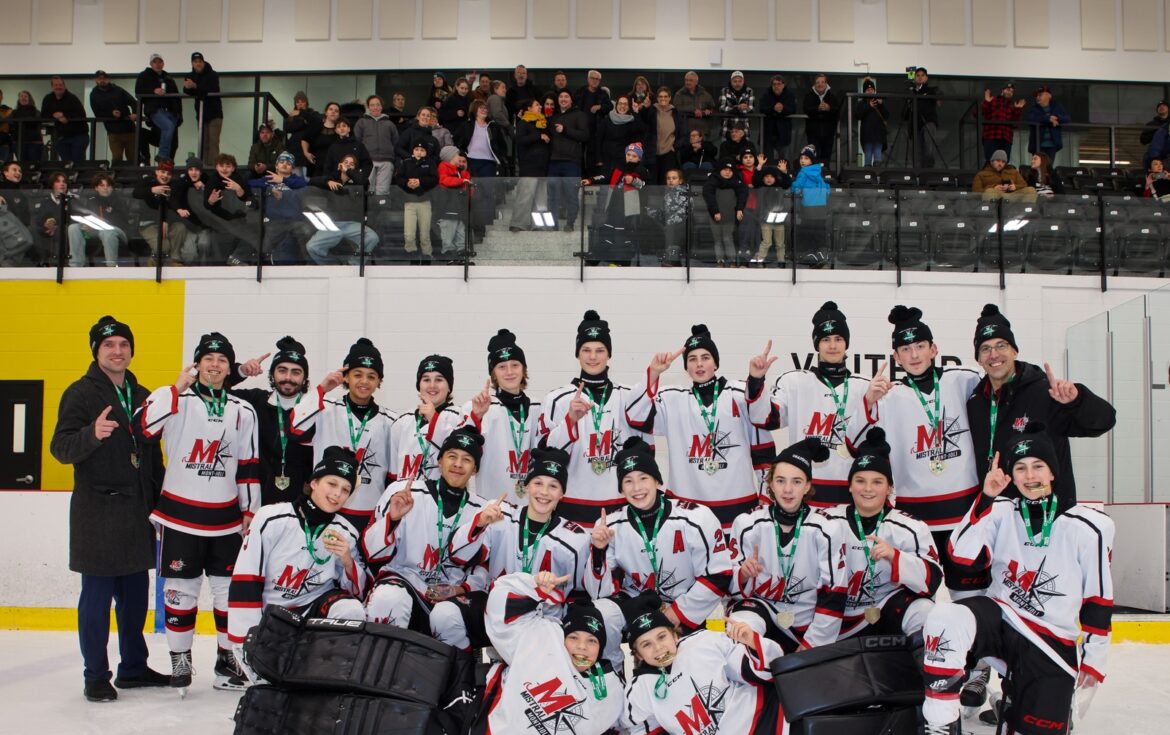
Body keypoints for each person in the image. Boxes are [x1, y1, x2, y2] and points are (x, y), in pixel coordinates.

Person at [921, 426, 1114, 735]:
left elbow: (1098, 600)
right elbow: (961, 557)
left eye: (1038, 466)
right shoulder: (1000, 510)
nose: (1030, 475)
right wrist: (985, 497)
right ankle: (940, 724)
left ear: (1053, 472)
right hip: (1001, 623)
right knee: (945, 616)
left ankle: (1016, 702)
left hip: (1050, 643)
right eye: (1020, 468)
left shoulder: (1089, 526)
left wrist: (1094, 661)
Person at [50, 316, 168, 702]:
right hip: (98, 514)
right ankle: (96, 675)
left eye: (123, 344)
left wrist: (161, 507)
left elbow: (153, 457)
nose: (117, 351)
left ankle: (133, 667)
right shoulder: (80, 393)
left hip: (137, 514)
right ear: (96, 351)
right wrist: (91, 434)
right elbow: (60, 448)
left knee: (134, 601)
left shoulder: (144, 395)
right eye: (109, 345)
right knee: (97, 603)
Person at [139, 332, 260, 693]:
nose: (215, 365)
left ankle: (227, 661)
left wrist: (249, 511)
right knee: (180, 592)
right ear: (197, 364)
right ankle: (180, 660)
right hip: (179, 517)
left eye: (222, 360)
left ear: (229, 367)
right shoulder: (175, 399)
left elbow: (248, 465)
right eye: (208, 358)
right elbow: (143, 428)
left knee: (228, 595)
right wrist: (176, 387)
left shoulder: (243, 410)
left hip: (226, 521)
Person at [863, 306, 984, 597]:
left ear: (934, 348)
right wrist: (868, 402)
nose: (914, 355)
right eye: (906, 349)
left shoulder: (965, 380)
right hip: (915, 520)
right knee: (918, 601)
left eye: (920, 346)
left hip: (965, 514)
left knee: (971, 601)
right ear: (896, 357)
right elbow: (857, 447)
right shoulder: (888, 397)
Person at [588, 437, 734, 670]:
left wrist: (676, 613)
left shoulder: (697, 517)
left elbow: (719, 574)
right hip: (638, 606)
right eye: (628, 481)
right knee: (601, 613)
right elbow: (601, 593)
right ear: (621, 488)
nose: (637, 488)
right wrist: (598, 550)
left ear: (657, 480)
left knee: (701, 664)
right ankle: (614, 675)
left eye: (643, 478)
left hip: (689, 605)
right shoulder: (609, 526)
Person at [227, 446, 370, 680]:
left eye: (345, 489)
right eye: (332, 484)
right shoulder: (271, 518)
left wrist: (347, 560)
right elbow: (246, 579)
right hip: (273, 619)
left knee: (351, 609)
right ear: (314, 482)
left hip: (313, 619)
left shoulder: (346, 532)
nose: (337, 494)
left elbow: (359, 593)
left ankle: (330, 678)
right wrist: (246, 640)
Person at [965, 304, 1116, 507]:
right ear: (978, 359)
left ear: (1014, 351)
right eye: (985, 349)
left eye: (1001, 345)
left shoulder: (1046, 392)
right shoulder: (976, 402)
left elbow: (1104, 422)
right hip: (1000, 512)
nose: (994, 355)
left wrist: (1077, 401)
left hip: (1048, 512)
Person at [628, 324, 774, 526]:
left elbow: (763, 453)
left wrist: (766, 498)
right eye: (692, 359)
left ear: (716, 363)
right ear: (686, 367)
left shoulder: (742, 393)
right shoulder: (672, 398)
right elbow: (635, 416)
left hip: (739, 510)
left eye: (705, 357)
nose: (699, 364)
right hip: (686, 512)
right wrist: (653, 373)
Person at [363, 426, 491, 649]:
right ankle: (381, 663)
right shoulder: (404, 491)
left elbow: (484, 567)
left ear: (475, 470)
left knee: (448, 616)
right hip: (406, 582)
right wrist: (392, 519)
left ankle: (454, 670)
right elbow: (370, 552)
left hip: (453, 591)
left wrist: (459, 589)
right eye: (452, 456)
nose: (458, 464)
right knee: (387, 599)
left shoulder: (483, 510)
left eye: (467, 460)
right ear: (439, 461)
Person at [818, 427, 941, 640]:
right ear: (850, 486)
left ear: (889, 488)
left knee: (926, 612)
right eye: (860, 481)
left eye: (877, 482)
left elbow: (932, 582)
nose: (868, 489)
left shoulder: (910, 527)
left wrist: (895, 556)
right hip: (834, 613)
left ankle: (923, 662)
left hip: (885, 609)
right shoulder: (824, 521)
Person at [746, 301, 873, 507]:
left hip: (853, 494)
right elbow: (764, 419)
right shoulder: (794, 382)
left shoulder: (866, 386)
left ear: (846, 343)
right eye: (825, 340)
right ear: (816, 344)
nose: (832, 346)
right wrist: (756, 380)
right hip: (805, 493)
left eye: (838, 339)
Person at [728, 437, 844, 652]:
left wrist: (812, 644)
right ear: (770, 483)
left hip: (806, 623)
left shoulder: (827, 529)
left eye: (797, 481)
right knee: (738, 633)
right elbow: (727, 587)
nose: (788, 489)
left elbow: (834, 594)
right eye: (780, 481)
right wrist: (742, 574)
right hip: (761, 609)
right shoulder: (747, 524)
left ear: (807, 486)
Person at [537, 310, 653, 526]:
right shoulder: (557, 398)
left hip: (622, 511)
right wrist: (570, 421)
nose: (593, 357)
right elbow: (544, 458)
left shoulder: (629, 397)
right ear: (577, 354)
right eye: (586, 350)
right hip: (570, 511)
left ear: (609, 354)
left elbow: (647, 455)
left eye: (600, 350)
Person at [478, 572, 624, 733]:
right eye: (574, 637)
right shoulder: (541, 644)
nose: (582, 646)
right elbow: (499, 609)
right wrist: (532, 587)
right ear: (562, 638)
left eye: (592, 641)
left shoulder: (608, 687)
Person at [620, 593, 784, 734]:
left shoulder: (704, 642)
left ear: (675, 635)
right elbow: (641, 729)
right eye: (646, 645)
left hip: (765, 721)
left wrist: (752, 643)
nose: (658, 648)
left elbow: (765, 670)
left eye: (662, 636)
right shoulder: (639, 690)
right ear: (638, 654)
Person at [289, 338, 397, 529]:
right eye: (357, 374)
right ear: (346, 377)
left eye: (371, 376)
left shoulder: (391, 421)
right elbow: (294, 429)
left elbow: (393, 474)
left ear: (379, 381)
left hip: (370, 514)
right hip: (326, 509)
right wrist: (322, 389)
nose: (364, 381)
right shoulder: (325, 408)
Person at [226, 336, 316, 508]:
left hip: (301, 505)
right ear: (272, 374)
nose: (288, 377)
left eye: (296, 372)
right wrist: (240, 372)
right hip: (256, 503)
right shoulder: (254, 400)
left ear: (305, 377)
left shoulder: (315, 409)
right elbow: (214, 390)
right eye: (282, 370)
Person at [459, 329, 542, 505]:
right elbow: (462, 451)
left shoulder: (538, 407)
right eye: (502, 367)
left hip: (531, 508)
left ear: (524, 369)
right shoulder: (478, 407)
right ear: (493, 374)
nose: (509, 372)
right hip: (490, 505)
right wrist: (476, 416)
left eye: (515, 365)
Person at [388, 354, 463, 483]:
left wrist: (434, 419)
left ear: (449, 387)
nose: (432, 385)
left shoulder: (459, 417)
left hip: (441, 495)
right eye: (426, 379)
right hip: (407, 494)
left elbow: (461, 456)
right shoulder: (402, 422)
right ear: (419, 385)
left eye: (439, 380)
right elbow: (392, 476)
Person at [306, 152, 378, 266]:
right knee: (312, 246)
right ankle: (334, 266)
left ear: (355, 168)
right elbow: (311, 181)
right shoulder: (331, 178)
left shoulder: (358, 181)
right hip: (332, 224)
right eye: (346, 162)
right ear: (339, 165)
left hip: (353, 223)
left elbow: (364, 182)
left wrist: (348, 171)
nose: (348, 164)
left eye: (352, 164)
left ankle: (353, 264)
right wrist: (328, 181)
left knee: (372, 237)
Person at [132, 159, 194, 266]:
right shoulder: (148, 181)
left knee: (180, 227)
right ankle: (153, 261)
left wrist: (167, 219)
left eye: (168, 174)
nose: (165, 175)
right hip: (148, 224)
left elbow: (173, 202)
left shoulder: (173, 185)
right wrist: (152, 190)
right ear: (157, 172)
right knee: (163, 246)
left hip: (167, 224)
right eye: (163, 172)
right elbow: (136, 193)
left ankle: (174, 260)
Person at [547, 90, 590, 232]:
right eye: (561, 96)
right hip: (554, 161)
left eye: (566, 96)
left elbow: (585, 135)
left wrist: (565, 130)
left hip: (572, 162)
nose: (563, 99)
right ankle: (553, 225)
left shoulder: (579, 115)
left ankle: (570, 223)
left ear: (571, 100)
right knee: (552, 196)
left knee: (571, 194)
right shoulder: (553, 117)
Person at [68, 173, 132, 267]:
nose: (105, 188)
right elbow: (86, 217)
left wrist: (94, 225)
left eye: (108, 185)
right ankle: (76, 265)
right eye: (102, 185)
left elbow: (117, 222)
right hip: (96, 230)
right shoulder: (91, 200)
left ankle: (111, 266)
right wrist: (87, 225)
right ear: (96, 188)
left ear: (112, 188)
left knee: (107, 232)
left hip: (117, 231)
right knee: (74, 228)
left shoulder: (119, 201)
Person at [508, 98, 550, 233]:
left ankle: (538, 225)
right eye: (537, 105)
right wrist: (539, 136)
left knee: (541, 200)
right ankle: (518, 223)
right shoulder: (523, 123)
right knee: (525, 196)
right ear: (529, 108)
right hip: (529, 166)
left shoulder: (543, 123)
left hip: (542, 166)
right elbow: (519, 140)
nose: (540, 106)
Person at [394, 140, 438, 260]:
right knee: (409, 234)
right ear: (413, 151)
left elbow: (435, 179)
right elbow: (398, 178)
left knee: (425, 234)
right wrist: (407, 183)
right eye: (416, 149)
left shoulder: (430, 163)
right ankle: (411, 255)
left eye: (422, 150)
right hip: (409, 202)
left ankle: (427, 256)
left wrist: (420, 181)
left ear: (426, 152)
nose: (419, 152)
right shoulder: (406, 162)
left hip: (425, 202)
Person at [135, 54, 181, 162]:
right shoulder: (144, 75)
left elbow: (177, 97)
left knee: (172, 138)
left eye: (160, 62)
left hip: (171, 111)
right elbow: (138, 91)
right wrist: (153, 91)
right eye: (155, 62)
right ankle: (162, 155)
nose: (157, 64)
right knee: (168, 127)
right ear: (151, 64)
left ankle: (166, 160)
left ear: (163, 63)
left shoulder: (168, 77)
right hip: (155, 110)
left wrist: (179, 115)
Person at [702, 159, 748, 268]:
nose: (727, 172)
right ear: (719, 170)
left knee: (728, 238)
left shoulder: (737, 182)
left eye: (730, 170)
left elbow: (743, 193)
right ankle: (720, 262)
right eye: (725, 169)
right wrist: (715, 211)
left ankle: (732, 261)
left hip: (729, 216)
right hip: (715, 216)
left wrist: (740, 209)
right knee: (718, 240)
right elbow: (709, 197)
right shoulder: (712, 181)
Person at [89, 71, 138, 163]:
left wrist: (135, 113)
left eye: (104, 78)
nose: (102, 80)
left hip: (129, 129)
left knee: (133, 158)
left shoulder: (118, 90)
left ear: (108, 79)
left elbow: (133, 102)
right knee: (117, 158)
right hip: (113, 131)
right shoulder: (94, 95)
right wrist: (111, 113)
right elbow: (97, 113)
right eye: (100, 78)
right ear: (95, 80)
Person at [354, 95, 399, 195]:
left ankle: (380, 206)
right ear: (368, 107)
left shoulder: (390, 124)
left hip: (386, 162)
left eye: (378, 105)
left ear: (381, 107)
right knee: (368, 191)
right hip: (368, 162)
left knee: (382, 192)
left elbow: (396, 143)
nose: (375, 107)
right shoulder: (361, 122)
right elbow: (357, 141)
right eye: (372, 105)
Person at [41, 76, 90, 163]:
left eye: (60, 85)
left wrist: (65, 115)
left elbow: (81, 114)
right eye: (56, 85)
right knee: (66, 164)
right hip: (62, 137)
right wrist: (55, 115)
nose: (58, 87)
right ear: (52, 87)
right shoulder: (48, 99)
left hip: (78, 135)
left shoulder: (72, 98)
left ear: (64, 86)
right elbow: (44, 115)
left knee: (78, 162)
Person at [183, 52, 223, 160]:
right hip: (201, 115)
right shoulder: (190, 76)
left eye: (200, 61)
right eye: (195, 62)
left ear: (203, 62)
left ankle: (213, 167)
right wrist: (189, 87)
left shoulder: (212, 75)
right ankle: (204, 166)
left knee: (213, 142)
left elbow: (212, 89)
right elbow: (187, 90)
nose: (198, 64)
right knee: (203, 143)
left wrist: (195, 86)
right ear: (192, 63)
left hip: (215, 114)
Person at [593, 95, 645, 176]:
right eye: (620, 103)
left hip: (623, 162)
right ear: (616, 105)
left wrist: (636, 112)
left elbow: (641, 131)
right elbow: (598, 140)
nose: (622, 106)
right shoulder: (606, 120)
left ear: (629, 107)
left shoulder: (632, 121)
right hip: (606, 160)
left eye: (625, 104)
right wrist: (599, 160)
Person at [435, 146, 472, 260]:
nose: (459, 157)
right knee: (448, 233)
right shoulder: (443, 166)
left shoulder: (459, 170)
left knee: (461, 232)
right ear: (450, 157)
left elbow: (466, 183)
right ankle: (449, 255)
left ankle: (462, 254)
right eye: (457, 155)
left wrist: (467, 186)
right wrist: (461, 181)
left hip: (459, 208)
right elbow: (444, 180)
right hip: (447, 209)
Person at [751, 162, 791, 267]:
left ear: (775, 178)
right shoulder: (760, 187)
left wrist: (784, 172)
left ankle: (781, 262)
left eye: (771, 177)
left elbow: (787, 183)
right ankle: (760, 260)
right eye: (766, 177)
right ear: (763, 178)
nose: (769, 179)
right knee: (767, 242)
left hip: (779, 220)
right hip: (765, 220)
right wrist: (759, 167)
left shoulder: (779, 186)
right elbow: (755, 180)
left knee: (780, 243)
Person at [643, 86, 684, 183]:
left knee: (666, 182)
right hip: (653, 154)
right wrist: (646, 108)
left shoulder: (675, 113)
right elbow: (644, 120)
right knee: (652, 183)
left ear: (670, 98)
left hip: (669, 153)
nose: (663, 99)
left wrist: (675, 147)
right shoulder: (652, 110)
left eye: (665, 96)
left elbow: (681, 133)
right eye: (660, 96)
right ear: (657, 98)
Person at [981, 81, 1026, 163]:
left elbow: (1015, 124)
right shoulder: (993, 100)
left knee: (1004, 162)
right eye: (1008, 90)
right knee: (990, 161)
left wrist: (1018, 109)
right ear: (1002, 90)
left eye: (1012, 91)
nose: (1010, 92)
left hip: (1006, 138)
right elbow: (977, 114)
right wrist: (986, 102)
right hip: (991, 136)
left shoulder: (1012, 106)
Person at [907, 67, 942, 168]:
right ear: (914, 78)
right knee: (917, 153)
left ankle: (928, 170)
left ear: (926, 78)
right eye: (917, 75)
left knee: (928, 146)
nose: (920, 77)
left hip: (928, 122)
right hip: (915, 126)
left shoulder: (931, 90)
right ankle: (918, 174)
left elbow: (939, 95)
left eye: (922, 75)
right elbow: (905, 114)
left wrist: (938, 99)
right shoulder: (911, 92)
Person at [803, 73, 841, 168]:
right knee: (813, 157)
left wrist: (829, 108)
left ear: (826, 83)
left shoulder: (832, 97)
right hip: (813, 134)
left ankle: (825, 174)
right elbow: (805, 109)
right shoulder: (808, 96)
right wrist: (817, 108)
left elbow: (838, 112)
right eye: (818, 82)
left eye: (822, 82)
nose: (820, 84)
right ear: (814, 84)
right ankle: (813, 175)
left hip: (828, 134)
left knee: (826, 158)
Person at [0, 161, 34, 266]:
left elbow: (26, 218)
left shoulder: (22, 194)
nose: (18, 173)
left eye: (20, 171)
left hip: (16, 233)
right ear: (5, 172)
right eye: (14, 170)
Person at [1026, 86, 1070, 161]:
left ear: (1048, 96)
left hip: (1052, 145)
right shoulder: (1034, 108)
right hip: (1037, 145)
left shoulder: (1056, 106)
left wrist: (1056, 118)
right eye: (1036, 96)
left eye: (1040, 95)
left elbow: (1067, 119)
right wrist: (1048, 119)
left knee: (1048, 166)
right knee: (1038, 166)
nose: (1037, 97)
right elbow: (1030, 119)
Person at [759, 74, 796, 163]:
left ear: (783, 85)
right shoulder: (766, 94)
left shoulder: (790, 95)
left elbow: (793, 109)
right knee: (767, 161)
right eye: (774, 84)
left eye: (779, 84)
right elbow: (761, 108)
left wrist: (782, 109)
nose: (776, 86)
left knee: (783, 161)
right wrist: (773, 108)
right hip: (768, 133)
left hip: (783, 134)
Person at [283, 91, 321, 174]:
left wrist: (301, 114)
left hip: (308, 150)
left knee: (307, 177)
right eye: (297, 102)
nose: (300, 104)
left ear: (306, 102)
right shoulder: (292, 115)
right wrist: (303, 122)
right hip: (294, 150)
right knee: (296, 176)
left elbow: (316, 121)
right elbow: (287, 128)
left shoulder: (313, 113)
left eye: (302, 101)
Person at [672, 71, 716, 138]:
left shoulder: (705, 94)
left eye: (691, 80)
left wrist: (709, 111)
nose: (688, 82)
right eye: (686, 80)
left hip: (703, 132)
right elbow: (676, 108)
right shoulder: (679, 94)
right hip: (685, 132)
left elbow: (713, 108)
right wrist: (693, 109)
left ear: (696, 82)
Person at [856, 78, 888, 167]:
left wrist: (881, 104)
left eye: (872, 89)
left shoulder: (879, 102)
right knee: (868, 160)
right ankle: (868, 174)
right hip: (867, 136)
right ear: (864, 92)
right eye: (868, 90)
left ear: (874, 91)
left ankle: (877, 174)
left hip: (878, 136)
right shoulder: (861, 103)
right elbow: (857, 115)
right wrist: (868, 106)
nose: (870, 91)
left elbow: (887, 115)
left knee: (877, 160)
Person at [719, 70, 754, 139]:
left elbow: (751, 109)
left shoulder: (749, 91)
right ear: (731, 81)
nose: (737, 84)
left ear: (743, 81)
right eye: (735, 81)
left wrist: (732, 109)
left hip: (744, 130)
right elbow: (722, 108)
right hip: (727, 130)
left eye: (740, 81)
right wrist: (737, 107)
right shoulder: (724, 91)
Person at [10, 90, 43, 162]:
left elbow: (38, 123)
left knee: (34, 164)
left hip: (34, 142)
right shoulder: (14, 112)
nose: (23, 98)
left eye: (25, 96)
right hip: (18, 142)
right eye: (21, 96)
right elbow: (10, 124)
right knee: (22, 164)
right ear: (19, 99)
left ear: (29, 99)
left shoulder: (36, 112)